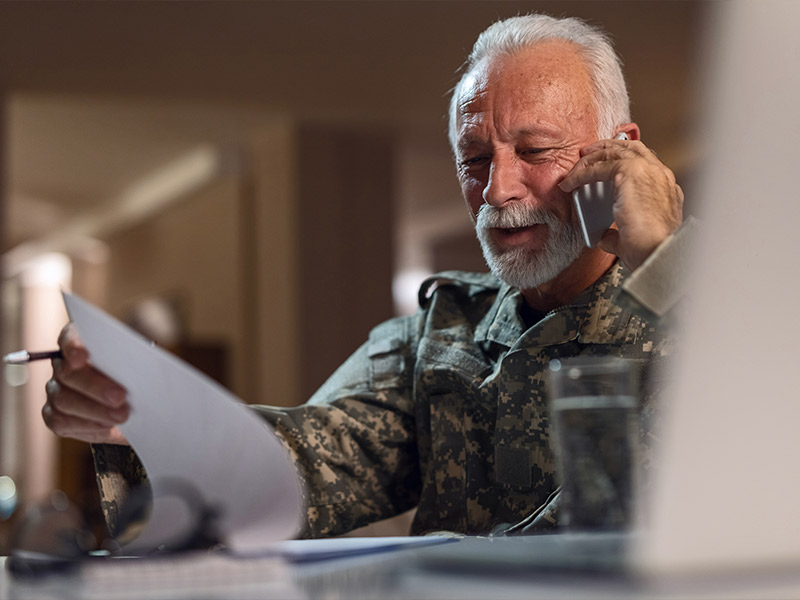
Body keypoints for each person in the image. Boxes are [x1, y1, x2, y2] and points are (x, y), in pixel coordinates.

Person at [42, 13, 690, 539]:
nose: (496, 189)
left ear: (622, 151)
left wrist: (662, 256)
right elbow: (299, 467)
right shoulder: (439, 338)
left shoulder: (720, 316)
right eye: (473, 158)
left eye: (535, 150)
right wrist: (149, 411)